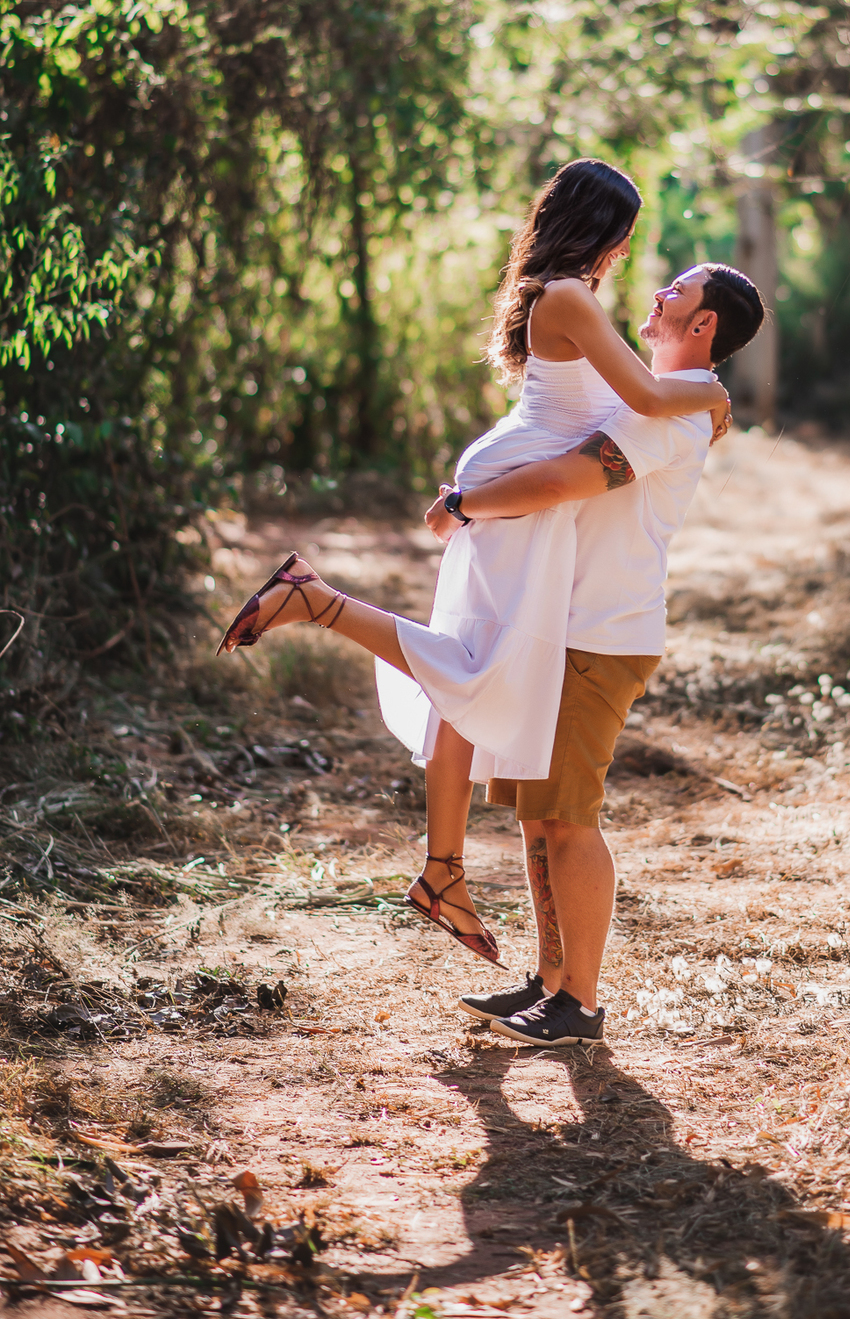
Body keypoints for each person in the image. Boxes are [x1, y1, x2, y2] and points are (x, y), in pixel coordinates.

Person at [216, 159, 729, 965]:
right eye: (623, 239)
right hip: (519, 488)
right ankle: (313, 601)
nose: (627, 257)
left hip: (512, 482)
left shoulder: (564, 298)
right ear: (597, 231)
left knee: (475, 666)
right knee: (473, 664)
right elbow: (648, 399)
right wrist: (715, 395)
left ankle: (442, 869)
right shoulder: (568, 297)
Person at [420, 260, 765, 1045]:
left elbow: (560, 482)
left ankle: (579, 1002)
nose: (657, 294)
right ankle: (549, 982)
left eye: (676, 291)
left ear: (704, 325)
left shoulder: (663, 416)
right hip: (559, 626)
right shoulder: (658, 397)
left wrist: (464, 506)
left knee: (568, 821)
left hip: (600, 635)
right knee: (539, 819)